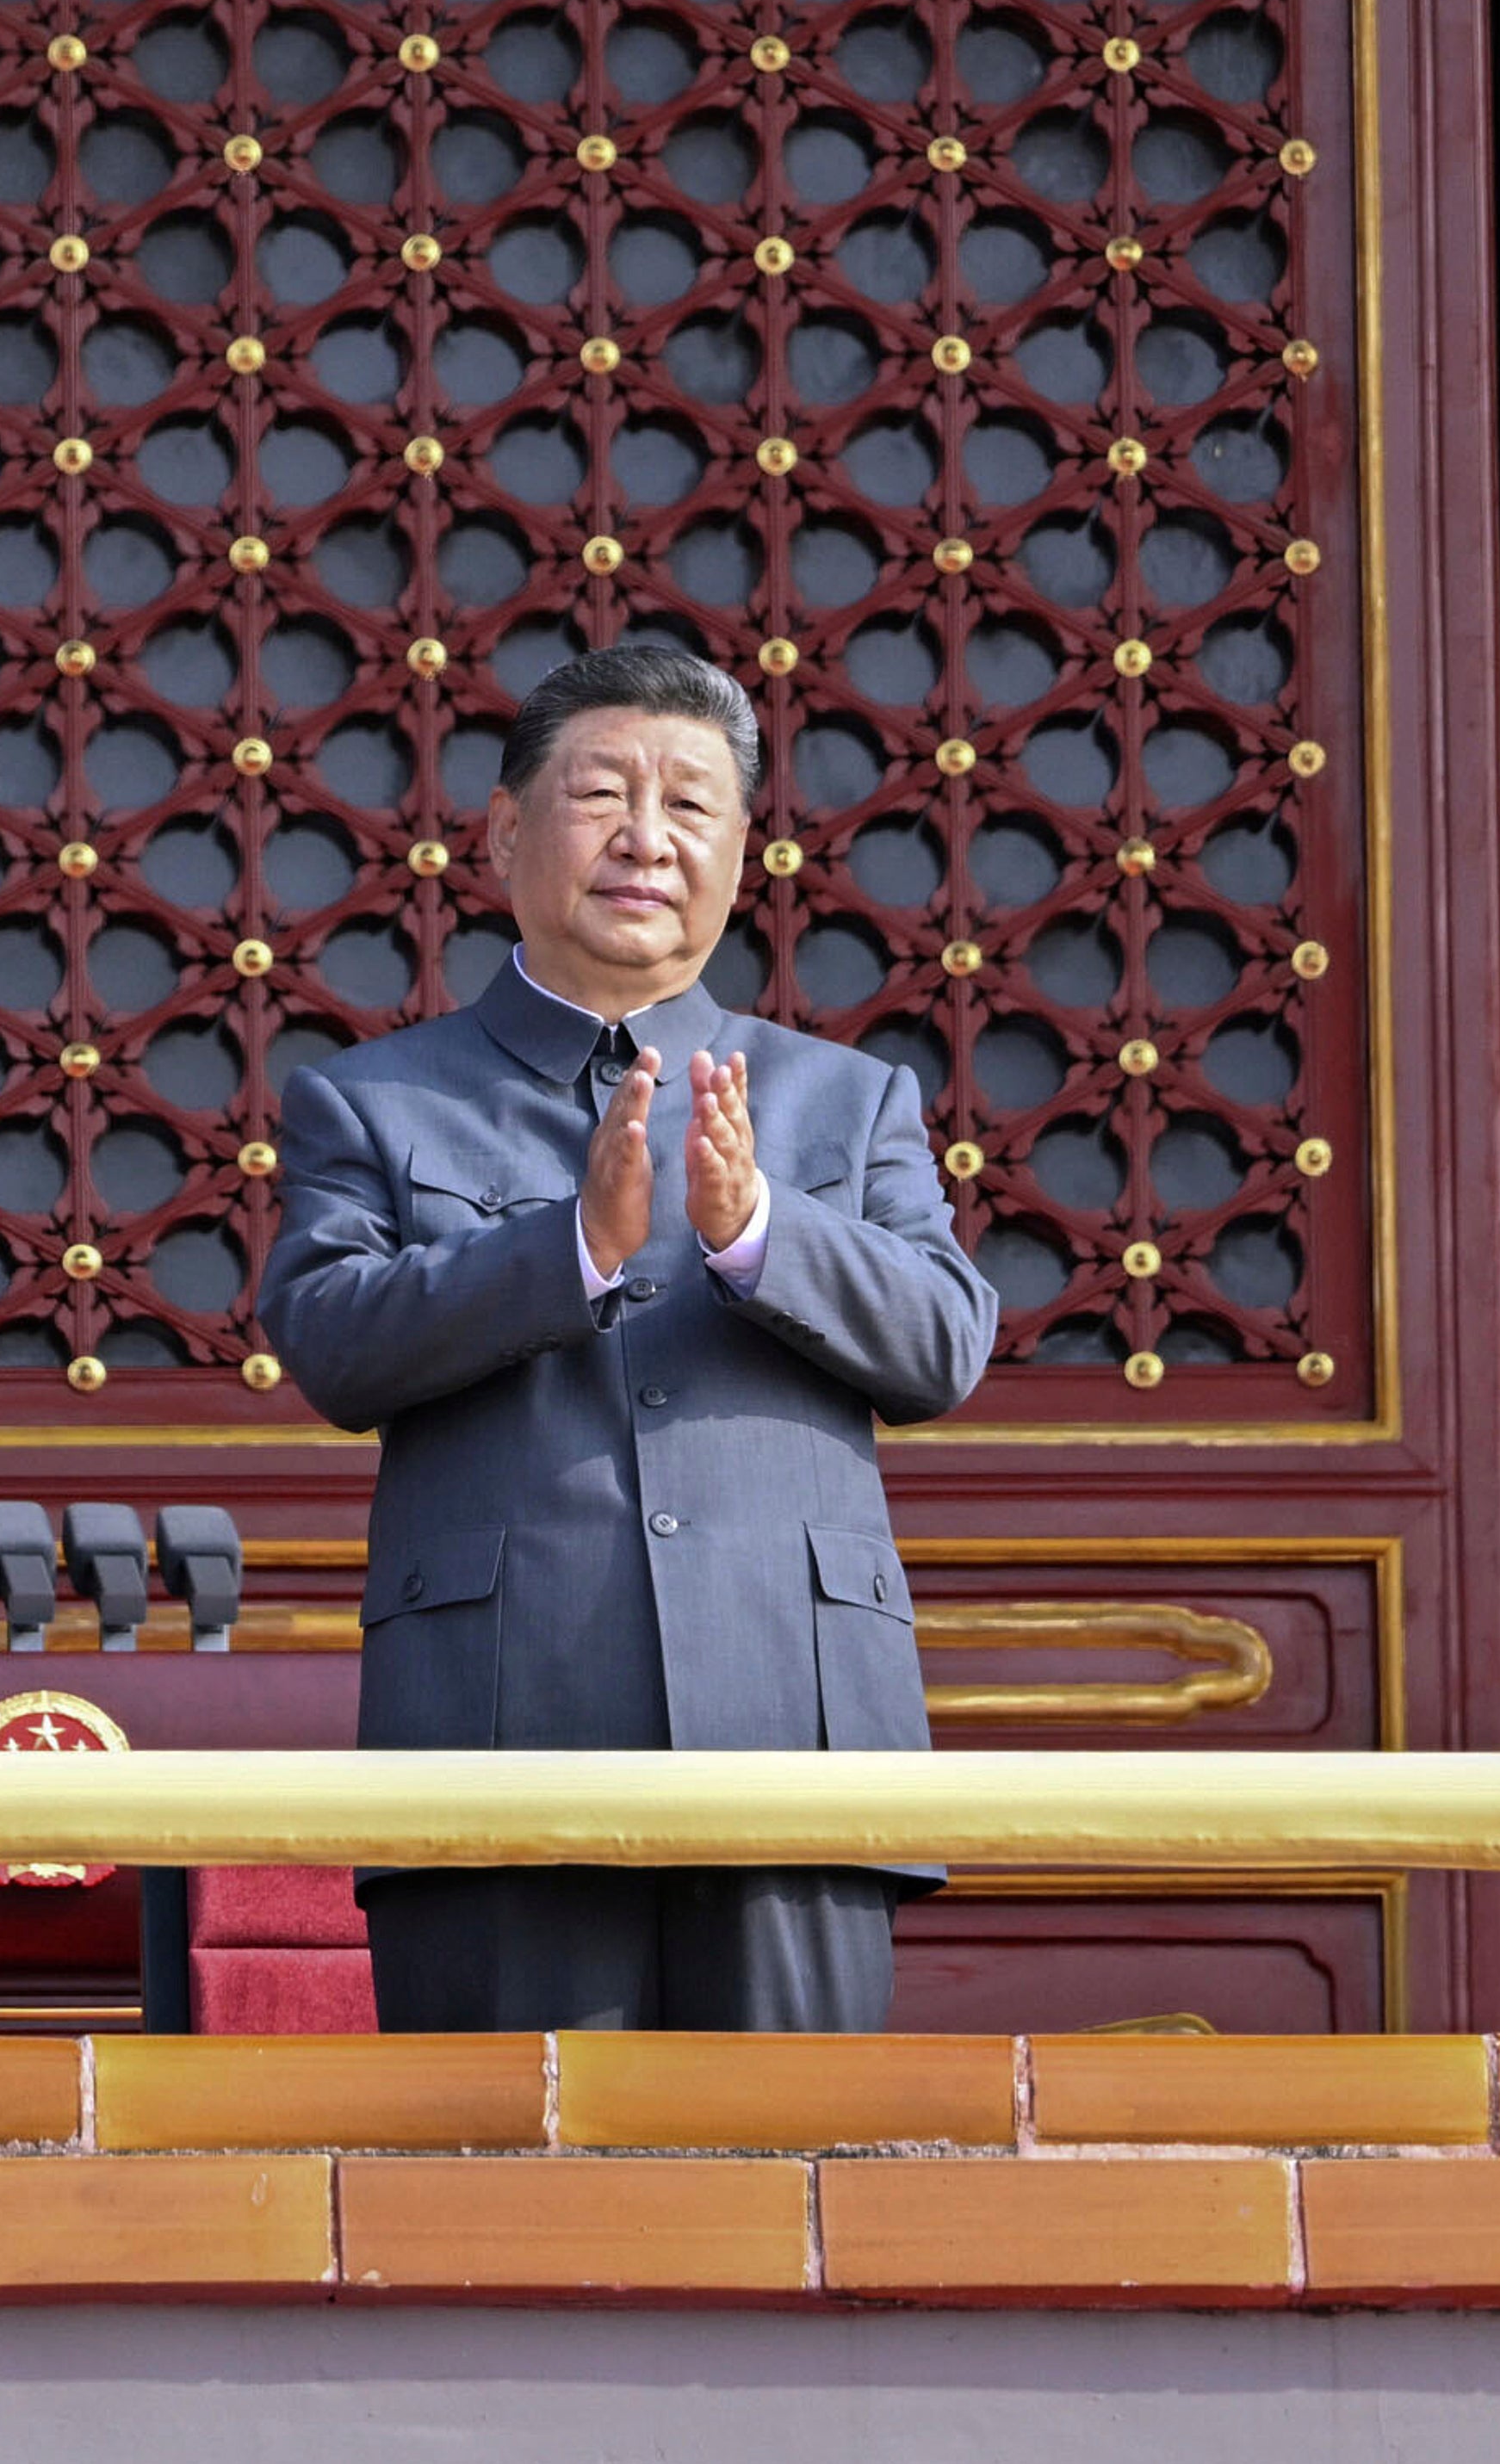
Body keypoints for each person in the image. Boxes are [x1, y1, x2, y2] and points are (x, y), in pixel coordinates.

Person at [256, 641, 1000, 2031]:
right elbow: (332, 1340)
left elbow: (946, 1340)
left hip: (798, 1737)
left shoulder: (848, 1098)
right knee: (511, 2212)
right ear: (501, 830)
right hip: (496, 1734)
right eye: (603, 793)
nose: (646, 839)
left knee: (801, 2196)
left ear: (740, 849)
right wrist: (570, 1250)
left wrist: (760, 1228)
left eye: (692, 804)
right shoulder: (371, 1099)